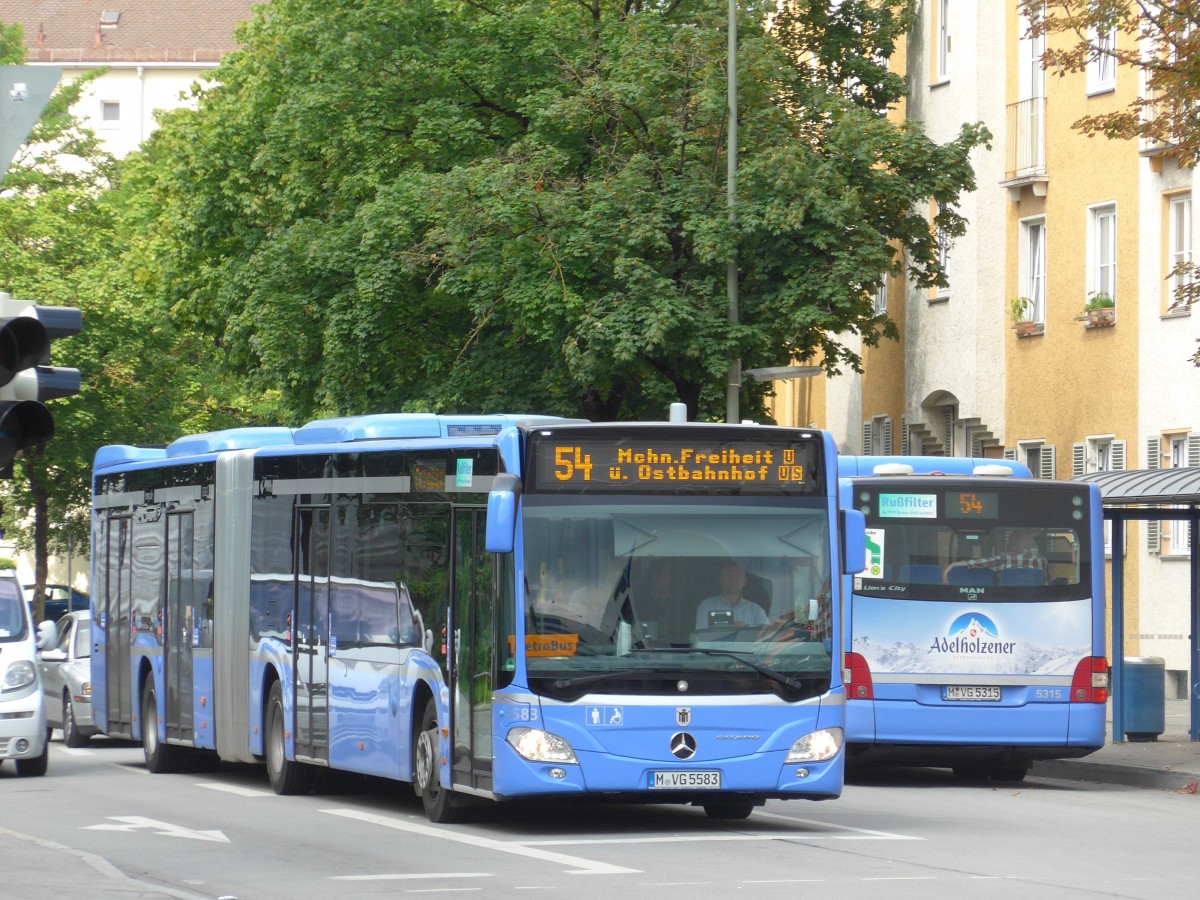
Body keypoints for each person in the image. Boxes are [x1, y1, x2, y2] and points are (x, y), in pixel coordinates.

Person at [694, 561, 769, 630]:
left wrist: (747, 629)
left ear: (744, 581)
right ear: (721, 579)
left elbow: (768, 638)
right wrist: (730, 628)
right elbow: (701, 639)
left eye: (738, 576)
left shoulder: (756, 611)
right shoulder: (707, 606)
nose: (733, 580)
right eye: (728, 576)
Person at [944, 529, 1047, 579]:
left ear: (1017, 542)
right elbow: (1046, 581)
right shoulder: (1042, 560)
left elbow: (981, 563)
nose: (1007, 544)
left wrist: (954, 565)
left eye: (1010, 541)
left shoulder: (1006, 557)